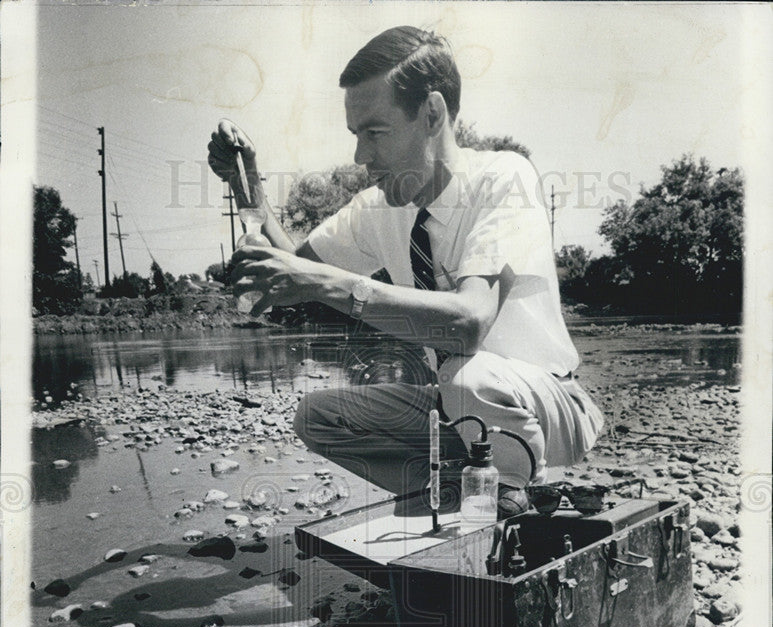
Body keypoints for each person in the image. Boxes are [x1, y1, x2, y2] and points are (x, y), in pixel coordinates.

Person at [208, 25, 603, 505]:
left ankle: (513, 497)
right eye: (356, 135)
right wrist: (247, 185)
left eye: (375, 132)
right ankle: (462, 497)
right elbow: (290, 265)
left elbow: (468, 325)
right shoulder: (378, 208)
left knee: (466, 377)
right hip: (455, 406)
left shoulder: (503, 178)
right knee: (318, 416)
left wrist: (327, 284)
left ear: (432, 113)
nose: (360, 156)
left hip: (544, 406)